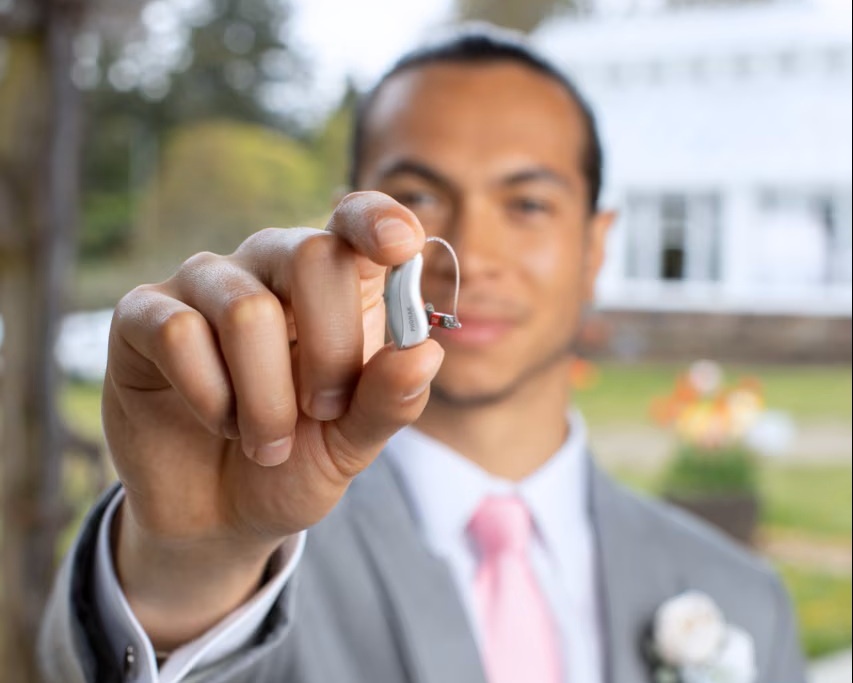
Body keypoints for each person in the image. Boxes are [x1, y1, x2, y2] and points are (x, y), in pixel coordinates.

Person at [40, 26, 806, 683]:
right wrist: (192, 564)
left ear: (594, 246)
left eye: (527, 203)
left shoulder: (740, 598)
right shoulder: (259, 549)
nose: (469, 251)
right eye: (422, 195)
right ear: (350, 222)